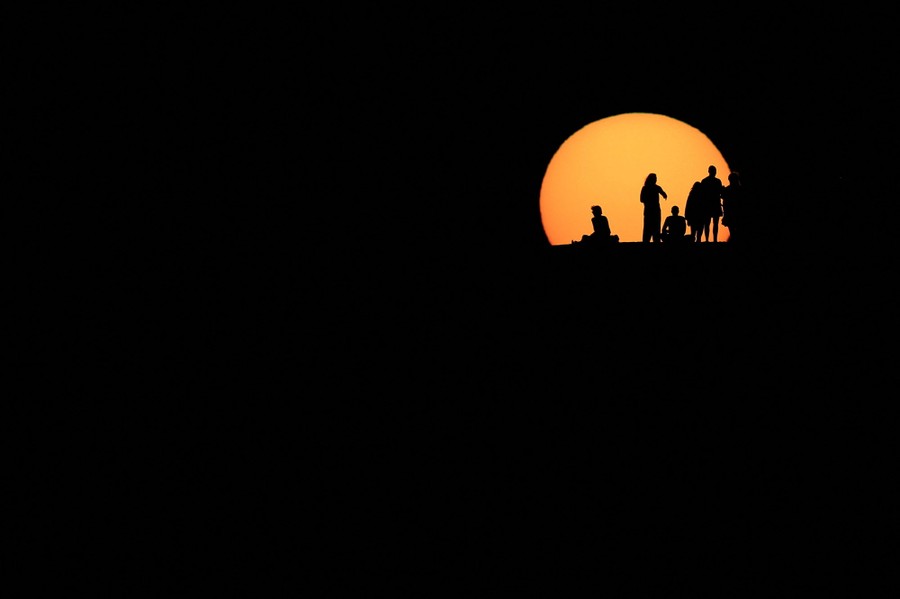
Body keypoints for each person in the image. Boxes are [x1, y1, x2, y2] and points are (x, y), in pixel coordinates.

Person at [640, 173, 667, 243]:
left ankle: (651, 240)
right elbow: (642, 199)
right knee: (651, 227)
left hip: (652, 210)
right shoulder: (652, 188)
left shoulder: (648, 188)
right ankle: (650, 241)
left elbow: (664, 193)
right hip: (652, 211)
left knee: (652, 227)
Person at [700, 165, 724, 242]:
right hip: (715, 204)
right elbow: (721, 193)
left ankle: (707, 239)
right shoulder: (718, 181)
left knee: (707, 223)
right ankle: (715, 239)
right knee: (714, 223)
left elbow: (702, 194)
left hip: (707, 205)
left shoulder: (704, 181)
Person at [721, 171, 745, 243]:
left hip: (730, 212)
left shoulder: (728, 190)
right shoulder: (740, 189)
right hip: (737, 212)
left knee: (732, 230)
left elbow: (724, 201)